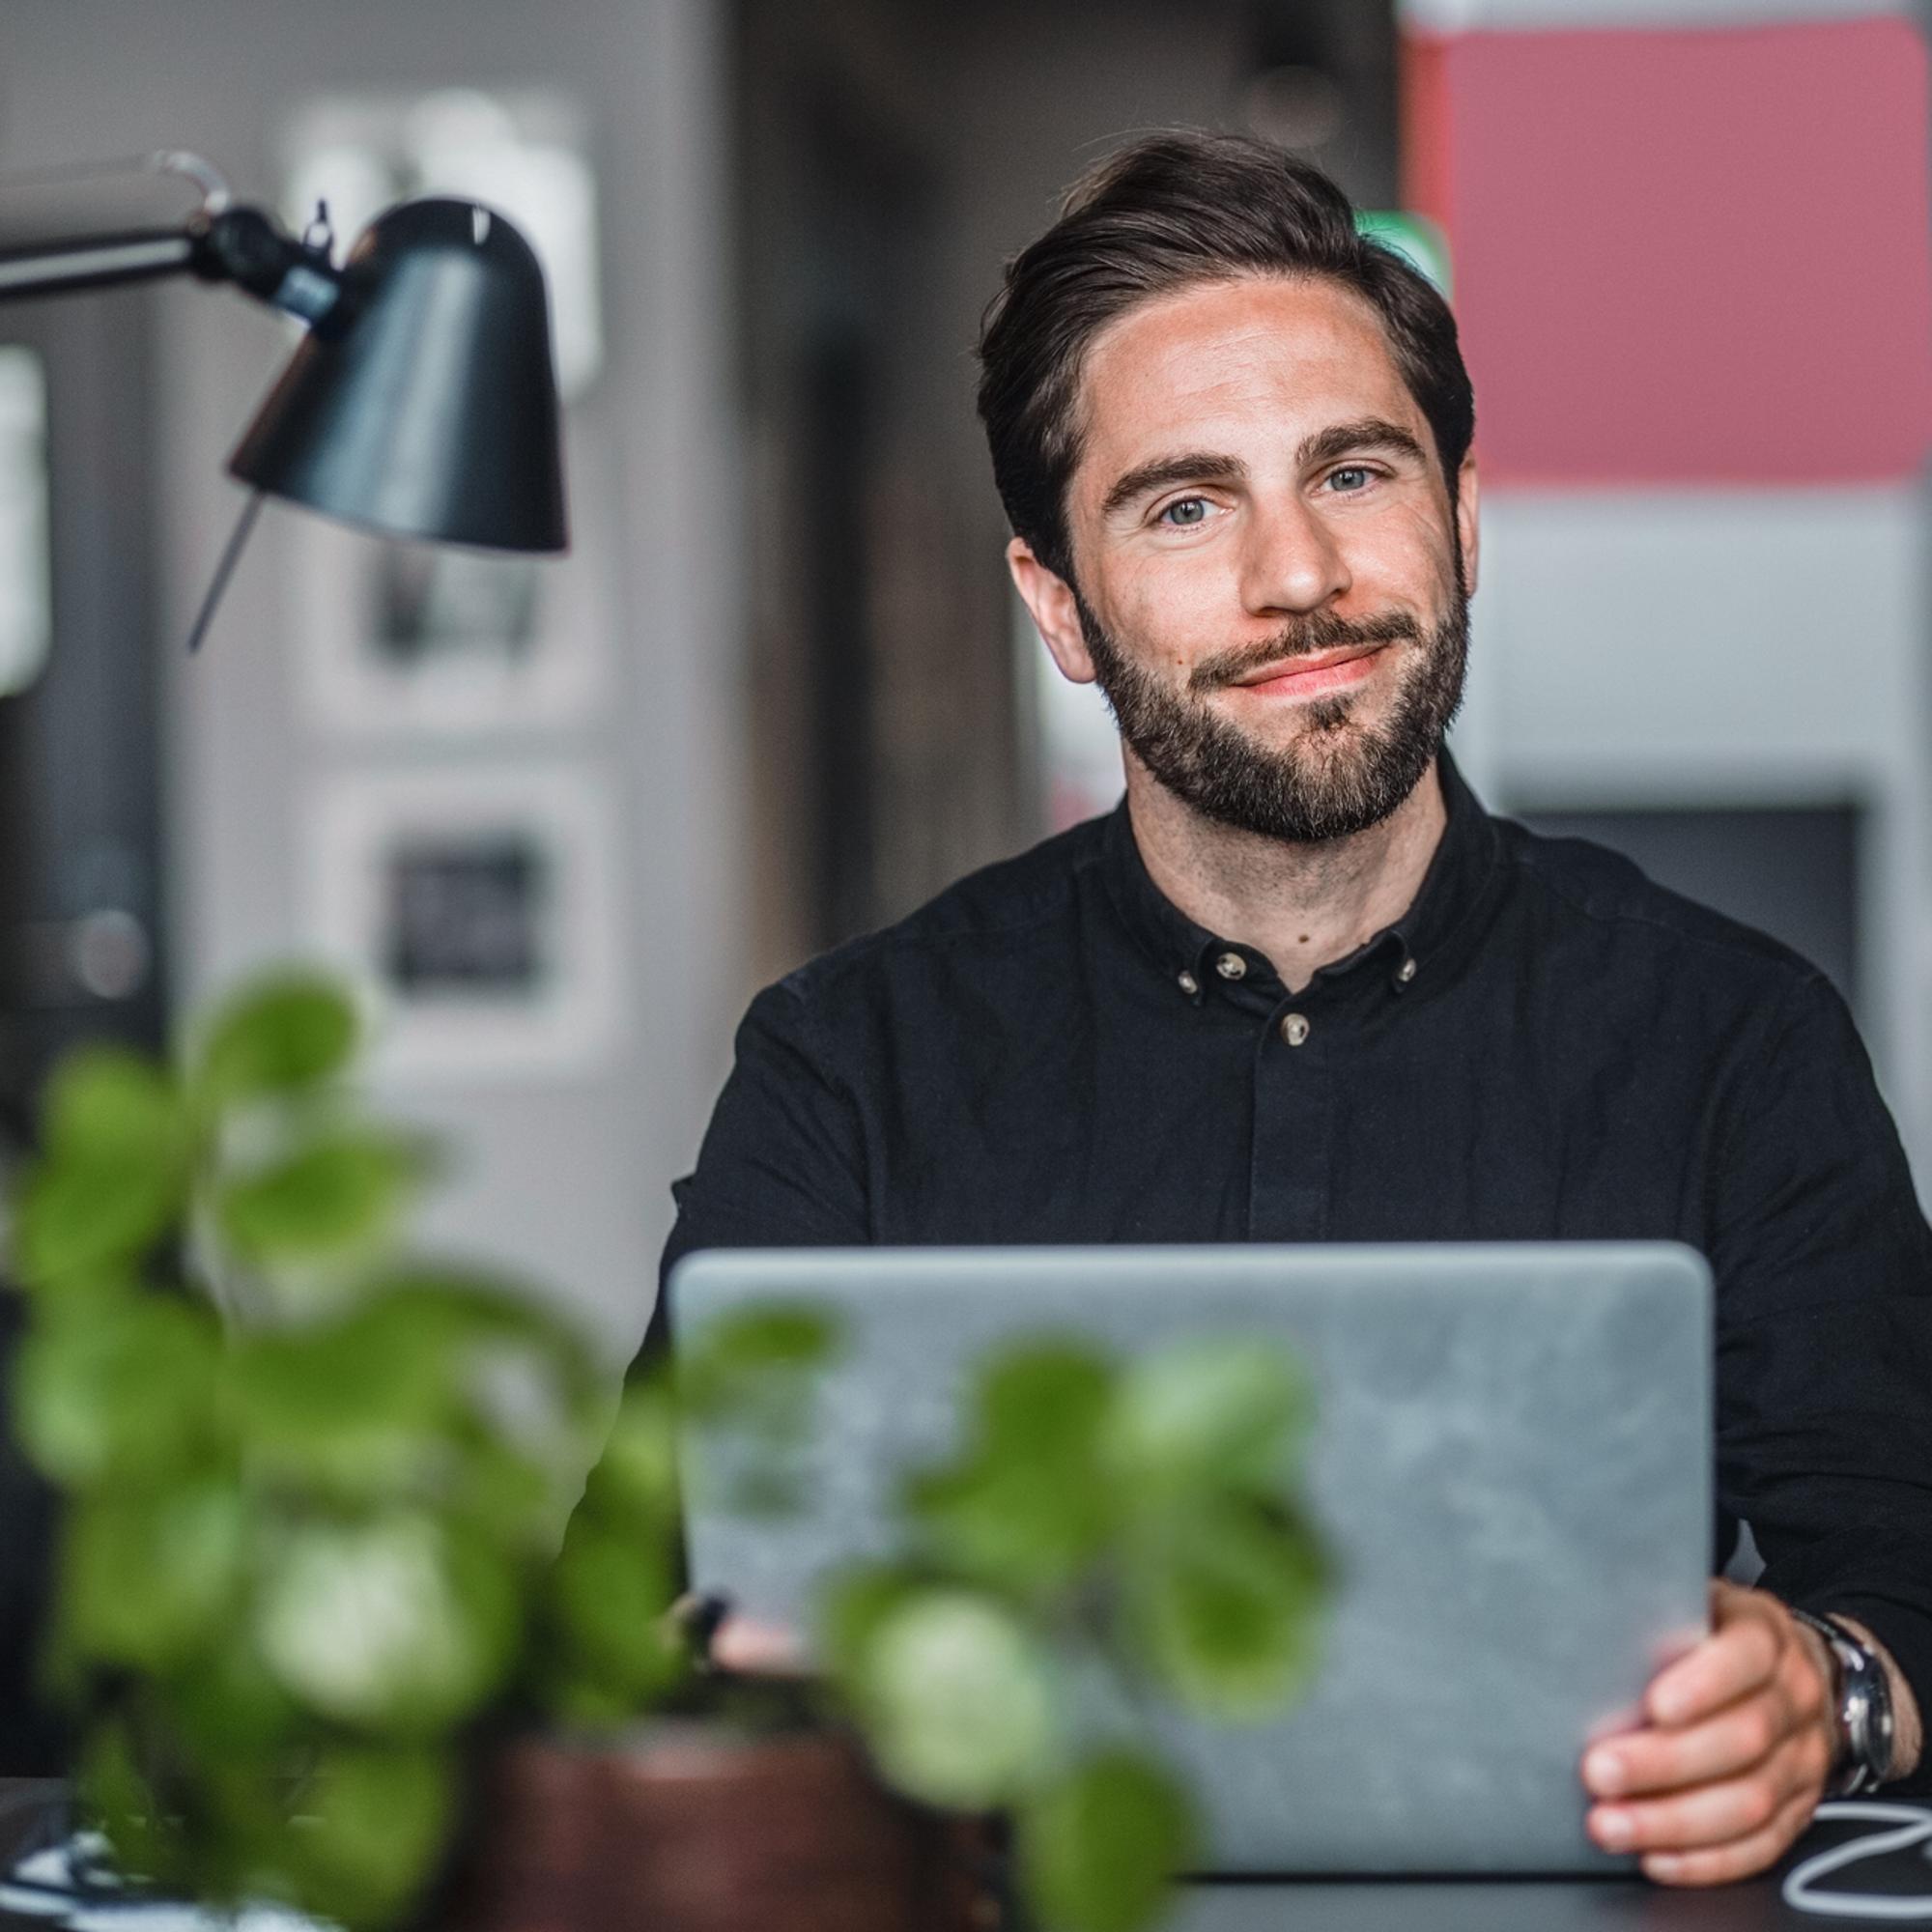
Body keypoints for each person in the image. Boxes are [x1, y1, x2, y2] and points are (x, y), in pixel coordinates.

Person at [647, 131, 1932, 1884]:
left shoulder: (1734, 1036)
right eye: (1186, 506)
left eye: (1354, 472)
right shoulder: (846, 1068)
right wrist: (737, 1686)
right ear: (1060, 606)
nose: (1300, 575)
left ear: (1460, 519)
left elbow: (1908, 1564)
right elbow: (644, 1606)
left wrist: (1826, 1694)